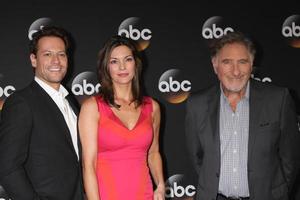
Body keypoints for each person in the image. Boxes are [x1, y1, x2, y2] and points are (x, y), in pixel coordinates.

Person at [185, 31, 300, 200]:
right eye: (227, 62)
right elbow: (197, 159)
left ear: (252, 64)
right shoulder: (197, 104)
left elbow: (290, 158)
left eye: (243, 62)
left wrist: (277, 193)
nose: (236, 71)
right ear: (215, 65)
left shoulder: (278, 99)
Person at [0, 26, 84, 200]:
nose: (56, 61)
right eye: (47, 54)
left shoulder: (70, 102)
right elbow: (7, 167)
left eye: (61, 54)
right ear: (33, 59)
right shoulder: (22, 102)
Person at [79, 35, 165, 200]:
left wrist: (160, 186)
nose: (122, 67)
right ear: (106, 67)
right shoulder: (92, 107)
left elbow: (153, 153)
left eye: (128, 59)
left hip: (144, 195)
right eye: (114, 61)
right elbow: (89, 164)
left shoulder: (152, 107)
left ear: (136, 64)